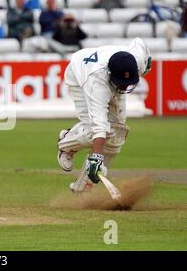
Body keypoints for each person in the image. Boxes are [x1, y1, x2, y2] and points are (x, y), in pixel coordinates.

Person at [56, 38, 152, 193]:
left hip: (107, 71)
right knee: (94, 131)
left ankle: (81, 190)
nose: (125, 87)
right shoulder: (97, 84)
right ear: (111, 75)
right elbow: (99, 125)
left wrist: (148, 61)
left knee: (117, 135)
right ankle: (66, 143)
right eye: (121, 83)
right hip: (79, 73)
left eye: (128, 83)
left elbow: (139, 42)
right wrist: (97, 157)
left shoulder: (138, 61)